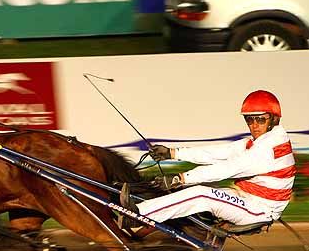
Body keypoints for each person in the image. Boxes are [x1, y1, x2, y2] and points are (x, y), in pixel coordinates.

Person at [119, 90, 296, 229]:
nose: (254, 125)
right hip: (247, 198)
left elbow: (227, 169)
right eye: (249, 119)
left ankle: (137, 216)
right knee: (197, 192)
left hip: (259, 210)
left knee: (201, 194)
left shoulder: (268, 149)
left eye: (260, 119)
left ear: (273, 119)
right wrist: (173, 153)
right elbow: (221, 152)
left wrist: (180, 179)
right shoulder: (264, 139)